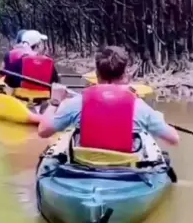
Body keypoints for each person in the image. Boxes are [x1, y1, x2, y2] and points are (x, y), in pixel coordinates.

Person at [37, 45, 179, 148]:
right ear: (124, 75)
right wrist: (158, 117)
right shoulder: (140, 106)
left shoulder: (77, 103)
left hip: (85, 169)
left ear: (97, 76)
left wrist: (55, 102)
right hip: (125, 173)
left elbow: (43, 131)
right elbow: (174, 139)